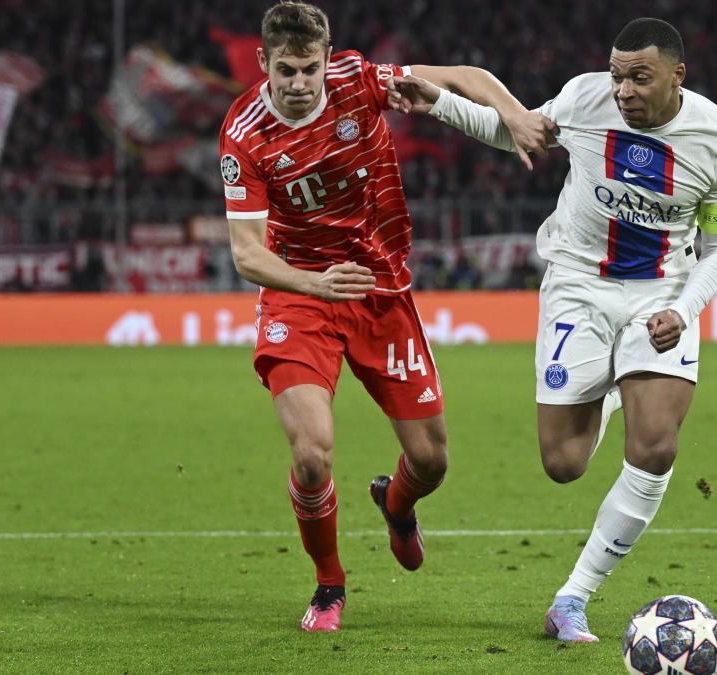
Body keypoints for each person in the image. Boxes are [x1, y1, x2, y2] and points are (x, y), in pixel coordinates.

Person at [388, 17, 717, 642]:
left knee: (656, 446)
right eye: (618, 75)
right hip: (576, 286)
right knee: (564, 463)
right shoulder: (585, 97)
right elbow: (517, 131)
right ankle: (614, 385)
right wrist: (440, 103)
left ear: (676, 75)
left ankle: (572, 598)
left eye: (640, 77)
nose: (624, 89)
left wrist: (683, 312)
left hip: (660, 297)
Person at [218, 0, 552, 632]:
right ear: (263, 63)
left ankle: (396, 505)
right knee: (312, 453)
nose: (296, 84)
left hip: (381, 292)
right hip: (301, 294)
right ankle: (328, 585)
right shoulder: (243, 133)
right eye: (283, 70)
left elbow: (459, 76)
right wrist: (314, 283)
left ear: (325, 61)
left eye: (307, 69)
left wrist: (513, 114)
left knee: (432, 462)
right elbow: (246, 253)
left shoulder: (358, 79)